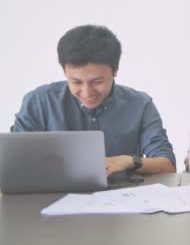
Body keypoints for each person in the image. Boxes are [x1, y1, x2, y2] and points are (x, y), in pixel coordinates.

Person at [11, 25, 176, 176]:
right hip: (49, 199)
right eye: (76, 82)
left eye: (97, 82)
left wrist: (130, 161)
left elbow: (167, 164)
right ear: (64, 72)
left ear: (115, 71)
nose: (87, 92)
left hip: (122, 199)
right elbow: (14, 162)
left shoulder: (140, 105)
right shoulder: (40, 101)